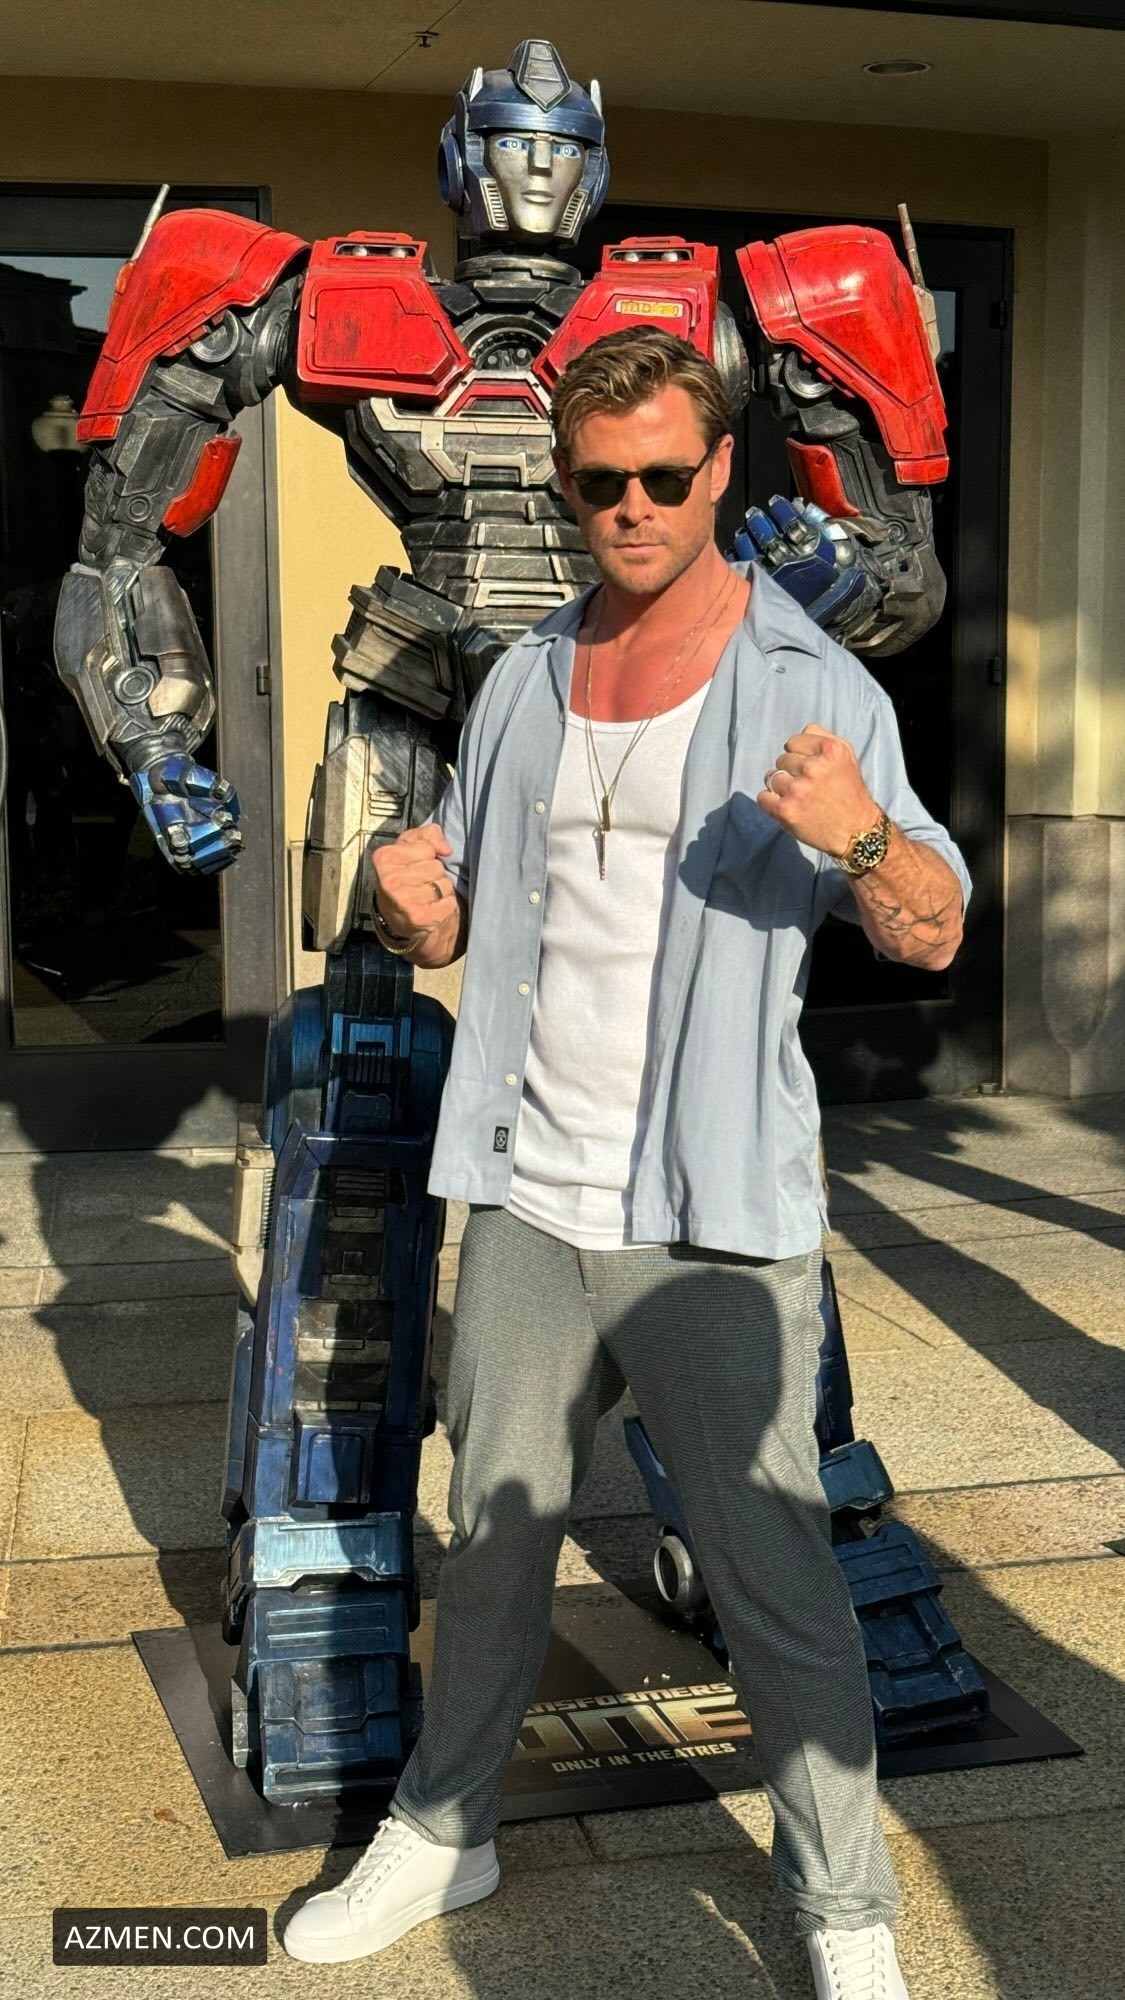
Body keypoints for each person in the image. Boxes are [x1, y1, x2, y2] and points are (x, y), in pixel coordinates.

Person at [282, 327, 969, 2000]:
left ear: (720, 468)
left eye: (667, 475)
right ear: (566, 487)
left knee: (773, 1572)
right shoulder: (523, 679)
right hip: (527, 1187)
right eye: (602, 485)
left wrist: (860, 836)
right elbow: (472, 922)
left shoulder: (812, 689)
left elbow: (934, 928)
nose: (635, 509)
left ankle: (845, 1913)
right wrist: (412, 913)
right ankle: (446, 1827)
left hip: (709, 1211)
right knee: (489, 1535)